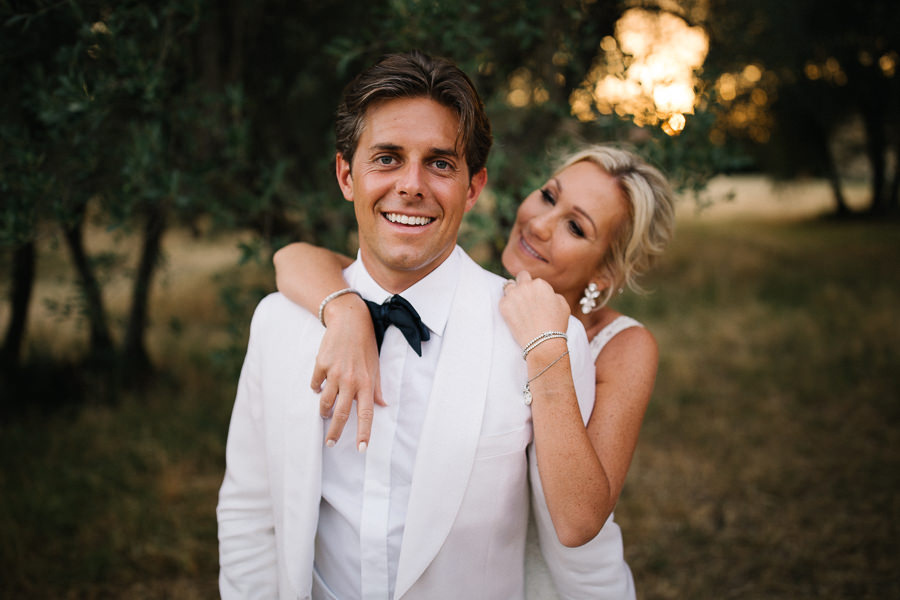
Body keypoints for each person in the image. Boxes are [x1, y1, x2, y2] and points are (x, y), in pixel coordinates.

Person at [217, 51, 599, 600]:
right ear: (347, 175)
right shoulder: (279, 323)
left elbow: (578, 544)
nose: (412, 185)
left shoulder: (542, 339)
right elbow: (248, 512)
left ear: (473, 187)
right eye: (388, 159)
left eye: (440, 163)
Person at [273, 144, 676, 598]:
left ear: (603, 272)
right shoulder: (482, 295)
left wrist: (546, 351)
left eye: (575, 227)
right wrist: (345, 311)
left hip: (566, 584)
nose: (540, 224)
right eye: (548, 196)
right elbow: (293, 259)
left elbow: (578, 519)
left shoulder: (623, 345)